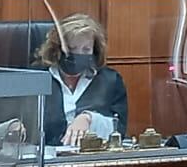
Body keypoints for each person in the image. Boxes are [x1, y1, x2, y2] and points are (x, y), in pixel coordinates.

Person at [39, 14, 128, 148]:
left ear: (94, 50)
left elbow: (119, 129)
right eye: (71, 48)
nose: (78, 54)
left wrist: (89, 118)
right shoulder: (38, 79)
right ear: (57, 49)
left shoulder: (110, 81)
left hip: (91, 160)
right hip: (48, 161)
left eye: (86, 49)